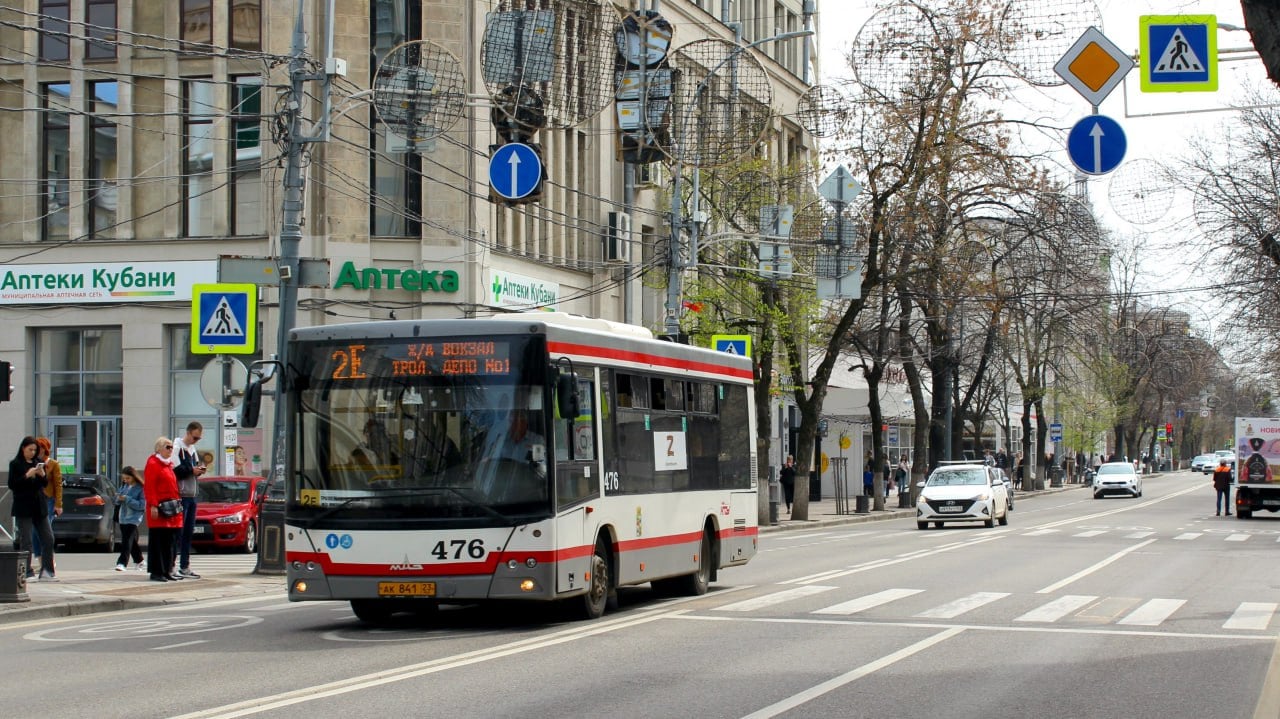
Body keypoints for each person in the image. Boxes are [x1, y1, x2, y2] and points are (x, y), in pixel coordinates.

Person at [8, 436, 56, 581]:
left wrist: (42, 475)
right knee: (26, 540)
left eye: (35, 450)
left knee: (48, 538)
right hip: (24, 506)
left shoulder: (37, 463)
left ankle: (47, 571)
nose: (32, 453)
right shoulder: (16, 464)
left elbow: (44, 484)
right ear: (23, 448)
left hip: (39, 505)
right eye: (30, 450)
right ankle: (26, 571)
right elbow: (13, 485)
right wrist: (27, 475)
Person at [170, 421, 207, 579]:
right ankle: (172, 564)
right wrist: (192, 470)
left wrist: (198, 470)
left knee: (187, 532)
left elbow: (192, 468)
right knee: (179, 532)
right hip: (182, 495)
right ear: (188, 432)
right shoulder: (177, 447)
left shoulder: (192, 449)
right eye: (194, 437)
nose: (196, 441)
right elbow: (175, 470)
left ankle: (184, 565)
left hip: (191, 494)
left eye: (198, 438)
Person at [145, 436, 185, 582]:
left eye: (171, 447)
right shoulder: (153, 463)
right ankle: (157, 571)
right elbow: (150, 487)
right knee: (159, 541)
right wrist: (153, 505)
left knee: (170, 541)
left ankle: (167, 569)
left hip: (172, 509)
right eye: (167, 447)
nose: (170, 450)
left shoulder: (168, 464)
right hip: (161, 509)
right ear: (159, 448)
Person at [29, 437, 62, 564]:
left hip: (48, 499)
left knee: (45, 529)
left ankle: (48, 558)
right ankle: (40, 559)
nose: (38, 450)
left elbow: (58, 485)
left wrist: (59, 504)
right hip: (35, 499)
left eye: (40, 447)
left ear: (46, 449)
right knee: (34, 530)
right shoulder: (32, 462)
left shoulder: (53, 464)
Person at [114, 465, 146, 571]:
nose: (126, 480)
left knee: (126, 540)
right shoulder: (124, 486)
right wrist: (118, 498)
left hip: (133, 517)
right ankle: (139, 560)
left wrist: (127, 499)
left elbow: (142, 505)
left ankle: (122, 563)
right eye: (124, 478)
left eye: (128, 478)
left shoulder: (140, 488)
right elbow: (117, 500)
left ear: (133, 476)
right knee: (131, 540)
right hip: (123, 517)